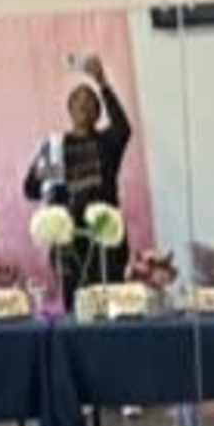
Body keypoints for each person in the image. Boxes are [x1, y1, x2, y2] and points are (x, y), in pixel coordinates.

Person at [22, 52, 134, 293]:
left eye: (90, 102)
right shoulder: (55, 148)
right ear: (69, 109)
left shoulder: (107, 143)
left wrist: (102, 82)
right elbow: (31, 190)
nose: (84, 105)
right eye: (78, 101)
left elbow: (124, 128)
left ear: (98, 112)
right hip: (70, 242)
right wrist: (45, 173)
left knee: (111, 301)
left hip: (106, 237)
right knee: (76, 308)